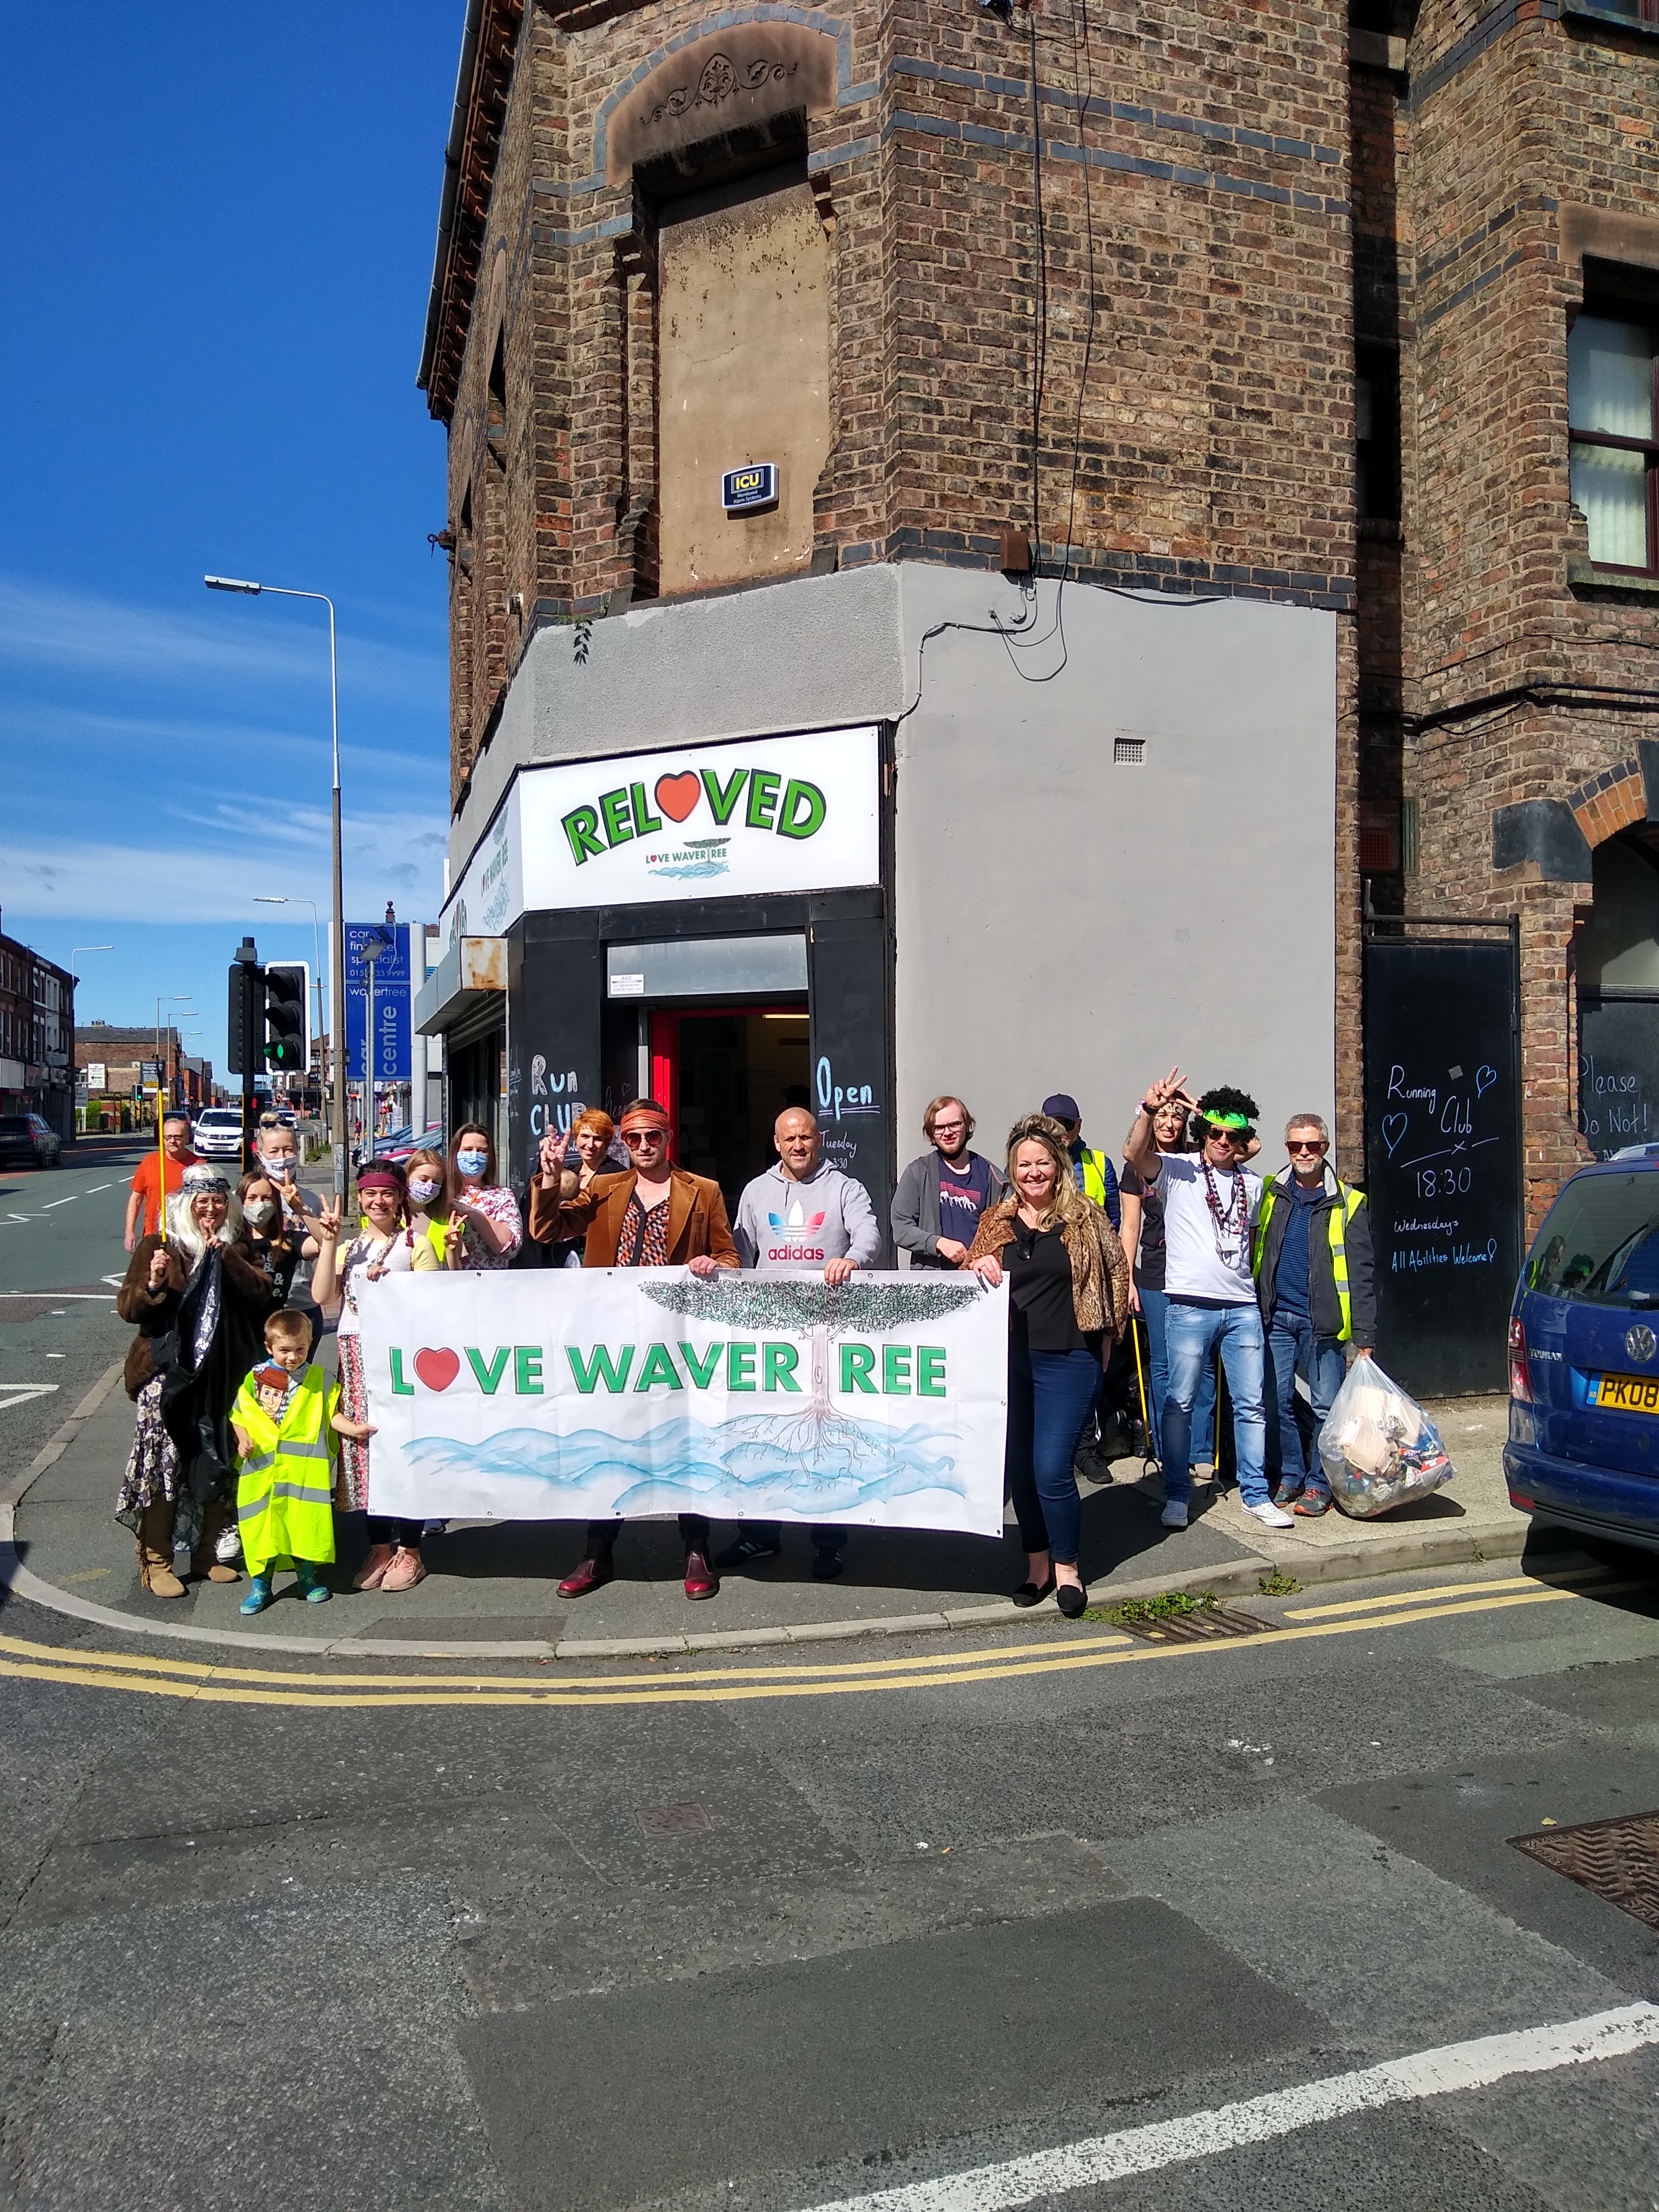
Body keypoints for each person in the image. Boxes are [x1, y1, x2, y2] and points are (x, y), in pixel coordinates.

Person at [529, 1097, 740, 1599]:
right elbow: (547, 1229)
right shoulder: (604, 1187)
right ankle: (597, 1551)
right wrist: (549, 1180)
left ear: (669, 1139)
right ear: (624, 1143)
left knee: (686, 1439)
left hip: (677, 1339)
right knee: (609, 1440)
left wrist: (715, 1265)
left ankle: (697, 1549)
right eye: (634, 1138)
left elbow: (730, 1253)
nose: (644, 1146)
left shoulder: (703, 1191)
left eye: (653, 1137)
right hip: (614, 1336)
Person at [966, 1113, 1130, 1618]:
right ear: (1012, 1170)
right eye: (1023, 1164)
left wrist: (1110, 1334)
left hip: (1070, 1359)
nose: (1033, 1172)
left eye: (1042, 1163)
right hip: (1010, 1362)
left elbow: (1116, 1273)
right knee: (1019, 1468)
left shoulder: (1084, 1216)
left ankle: (1068, 1568)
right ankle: (1036, 1566)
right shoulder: (996, 1220)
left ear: (1057, 1167)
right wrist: (978, 1265)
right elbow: (970, 1277)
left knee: (1050, 1468)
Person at [1124, 1071, 1290, 1533]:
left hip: (1241, 1309)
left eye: (1230, 1135)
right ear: (1202, 1134)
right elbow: (1134, 1155)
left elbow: (1250, 1154)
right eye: (1213, 1132)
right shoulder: (1178, 1171)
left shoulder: (1253, 1185)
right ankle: (1177, 1493)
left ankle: (1256, 1494)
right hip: (1189, 1306)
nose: (1221, 1140)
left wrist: (1216, 1115)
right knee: (1179, 1402)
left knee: (1250, 1404)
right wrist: (1150, 1111)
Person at [721, 1106, 882, 1581]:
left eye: (806, 1138)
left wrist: (852, 1259)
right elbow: (739, 1250)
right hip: (771, 1330)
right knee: (765, 1432)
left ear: (820, 1140)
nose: (798, 1146)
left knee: (823, 1435)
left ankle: (829, 1541)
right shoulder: (755, 1191)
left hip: (827, 1331)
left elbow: (869, 1232)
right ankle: (761, 1534)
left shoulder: (844, 1188)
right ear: (776, 1143)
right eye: (789, 1139)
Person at [114, 1164, 282, 1597]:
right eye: (201, 1201)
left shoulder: (240, 1246)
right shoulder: (161, 1245)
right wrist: (153, 1282)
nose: (210, 1208)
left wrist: (225, 1256)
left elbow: (261, 1294)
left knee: (217, 1458)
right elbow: (130, 1308)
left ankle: (207, 1556)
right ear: (185, 1205)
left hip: (226, 1369)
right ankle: (157, 1562)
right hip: (167, 1373)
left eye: (218, 1201)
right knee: (166, 1464)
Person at [314, 1162, 437, 1593]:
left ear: (401, 1198)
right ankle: (379, 1547)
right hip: (355, 1353)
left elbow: (436, 1304)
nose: (378, 1202)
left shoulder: (415, 1244)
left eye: (387, 1194)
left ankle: (411, 1550)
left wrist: (391, 1291)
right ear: (360, 1199)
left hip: (401, 1359)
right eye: (370, 1194)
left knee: (404, 1449)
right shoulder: (350, 1249)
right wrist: (329, 1241)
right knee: (365, 1451)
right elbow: (323, 1297)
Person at [1253, 1112, 1377, 1518]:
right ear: (1286, 1148)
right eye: (1294, 1145)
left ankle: (1319, 1483)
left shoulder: (1348, 1202)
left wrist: (1365, 1335)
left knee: (1327, 1409)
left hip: (1323, 1325)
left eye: (1311, 1145)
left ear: (1325, 1148)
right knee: (1277, 1403)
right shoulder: (1273, 1192)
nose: (1303, 1152)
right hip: (1277, 1318)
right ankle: (1290, 1474)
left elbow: (1361, 1274)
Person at [230, 1309, 374, 1614]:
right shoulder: (255, 1379)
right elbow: (239, 1413)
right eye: (284, 1350)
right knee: (262, 1530)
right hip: (261, 1473)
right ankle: (260, 1586)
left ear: (310, 1344)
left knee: (303, 1528)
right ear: (269, 1348)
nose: (293, 1357)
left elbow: (331, 1414)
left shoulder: (320, 1380)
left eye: (301, 1349)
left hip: (303, 1474)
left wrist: (353, 1429)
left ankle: (307, 1579)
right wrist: (243, 1439)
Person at [1118, 1097, 1217, 1465]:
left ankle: (1202, 1450)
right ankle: (1167, 1450)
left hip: (1195, 1275)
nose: (1169, 1124)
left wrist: (1203, 1111)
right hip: (1155, 1274)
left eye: (1177, 1117)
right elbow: (1130, 1228)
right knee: (1161, 1363)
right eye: (1162, 1116)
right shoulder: (1136, 1167)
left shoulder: (1197, 1158)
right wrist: (1127, 1279)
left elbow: (1248, 1146)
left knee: (1202, 1361)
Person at [891, 1095, 1007, 1269]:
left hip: (978, 1281)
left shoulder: (992, 1177)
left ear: (967, 1125)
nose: (947, 1133)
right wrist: (938, 1243)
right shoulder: (919, 1172)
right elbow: (901, 1228)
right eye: (939, 1128)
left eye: (954, 1125)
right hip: (931, 1285)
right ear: (931, 1133)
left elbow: (1003, 1232)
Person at [541, 1108, 619, 1269]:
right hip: (558, 1260)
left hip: (598, 1262)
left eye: (598, 1139)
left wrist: (571, 1226)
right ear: (576, 1139)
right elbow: (542, 1214)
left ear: (607, 1143)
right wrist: (549, 1173)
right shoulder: (568, 1171)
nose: (590, 1145)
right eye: (585, 1137)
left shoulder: (618, 1175)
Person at [444, 1123, 523, 1270]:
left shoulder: (503, 1196)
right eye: (467, 1150)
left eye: (482, 1151)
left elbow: (511, 1247)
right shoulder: (441, 1193)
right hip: (441, 1283)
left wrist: (472, 1213)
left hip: (487, 1286)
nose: (474, 1155)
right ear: (455, 1153)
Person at [1041, 1093, 1121, 1230]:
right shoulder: (1026, 1166)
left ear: (1079, 1125)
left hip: (1090, 1247)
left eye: (1068, 1124)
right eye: (1054, 1124)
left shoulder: (1100, 1163)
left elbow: (1113, 1222)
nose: (1061, 1130)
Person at [123, 1109, 197, 1252]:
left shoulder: (198, 1166)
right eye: (168, 1137)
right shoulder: (150, 1162)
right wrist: (130, 1231)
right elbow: (136, 1199)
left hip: (188, 1237)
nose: (172, 1141)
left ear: (187, 1138)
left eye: (177, 1137)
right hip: (153, 1236)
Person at [237, 1169, 302, 1307]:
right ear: (240, 1202)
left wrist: (300, 1209)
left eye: (266, 1198)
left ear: (275, 1203)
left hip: (274, 1324)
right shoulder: (232, 1242)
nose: (259, 1204)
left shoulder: (288, 1241)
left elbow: (323, 1245)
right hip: (239, 1326)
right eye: (252, 1198)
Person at [402, 1147, 450, 1265]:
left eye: (436, 1182)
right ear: (408, 1177)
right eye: (424, 1179)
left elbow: (456, 1271)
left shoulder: (447, 1222)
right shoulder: (389, 1217)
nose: (429, 1187)